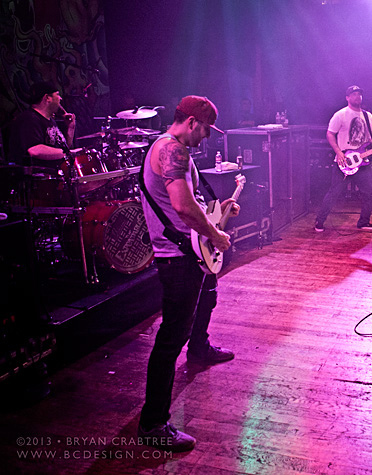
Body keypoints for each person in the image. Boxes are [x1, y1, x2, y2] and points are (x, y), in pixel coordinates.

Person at [138, 95, 239, 452]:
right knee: (170, 339)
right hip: (177, 259)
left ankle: (199, 347)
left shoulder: (171, 148)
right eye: (206, 130)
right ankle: (152, 424)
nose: (206, 138)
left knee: (206, 298)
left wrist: (216, 212)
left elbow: (188, 202)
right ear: (193, 122)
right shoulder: (174, 151)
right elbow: (181, 207)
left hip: (189, 254)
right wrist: (216, 235)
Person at [314, 85, 372, 232]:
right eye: (354, 94)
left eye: (359, 94)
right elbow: (330, 134)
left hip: (362, 161)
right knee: (334, 192)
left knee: (370, 192)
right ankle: (319, 221)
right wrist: (338, 152)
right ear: (347, 97)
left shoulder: (368, 116)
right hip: (344, 161)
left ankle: (364, 222)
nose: (357, 97)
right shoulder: (340, 115)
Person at [5, 81, 76, 167]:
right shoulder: (29, 119)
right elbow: (35, 150)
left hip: (58, 174)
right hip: (39, 177)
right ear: (47, 98)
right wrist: (70, 153)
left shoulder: (50, 121)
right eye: (57, 94)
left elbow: (62, 150)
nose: (60, 98)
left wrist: (70, 128)